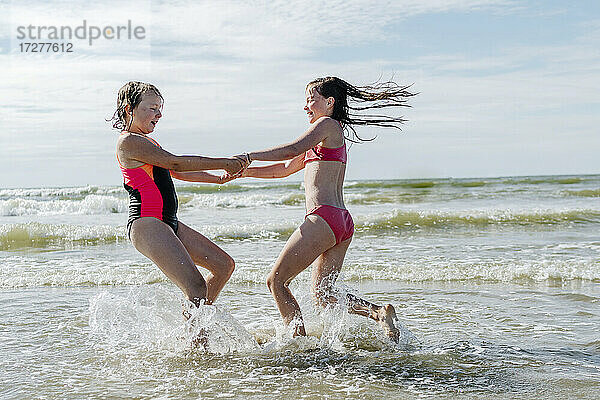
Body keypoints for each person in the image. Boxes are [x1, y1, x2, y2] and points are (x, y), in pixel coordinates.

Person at [235, 76, 415, 342]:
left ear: (330, 102)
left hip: (323, 219)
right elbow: (284, 169)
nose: (306, 105)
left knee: (277, 281)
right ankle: (378, 313)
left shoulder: (327, 125)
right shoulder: (323, 137)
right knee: (324, 295)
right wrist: (242, 172)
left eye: (311, 99)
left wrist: (249, 155)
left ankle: (299, 344)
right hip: (340, 222)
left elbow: (291, 149)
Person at [110, 81, 247, 310]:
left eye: (160, 108)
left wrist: (218, 178)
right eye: (152, 108)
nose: (159, 114)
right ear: (128, 109)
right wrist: (224, 162)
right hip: (147, 223)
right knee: (196, 288)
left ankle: (193, 325)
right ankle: (196, 342)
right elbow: (175, 162)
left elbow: (174, 171)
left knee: (223, 265)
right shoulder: (128, 142)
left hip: (166, 222)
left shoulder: (148, 142)